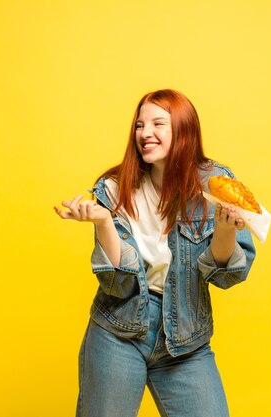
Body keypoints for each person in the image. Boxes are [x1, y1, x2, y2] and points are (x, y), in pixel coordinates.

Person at [54, 89, 256, 417]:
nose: (145, 133)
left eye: (158, 124)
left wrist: (226, 229)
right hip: (119, 331)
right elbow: (117, 284)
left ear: (184, 130)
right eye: (139, 125)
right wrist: (104, 221)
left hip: (186, 340)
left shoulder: (215, 186)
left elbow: (225, 276)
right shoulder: (114, 189)